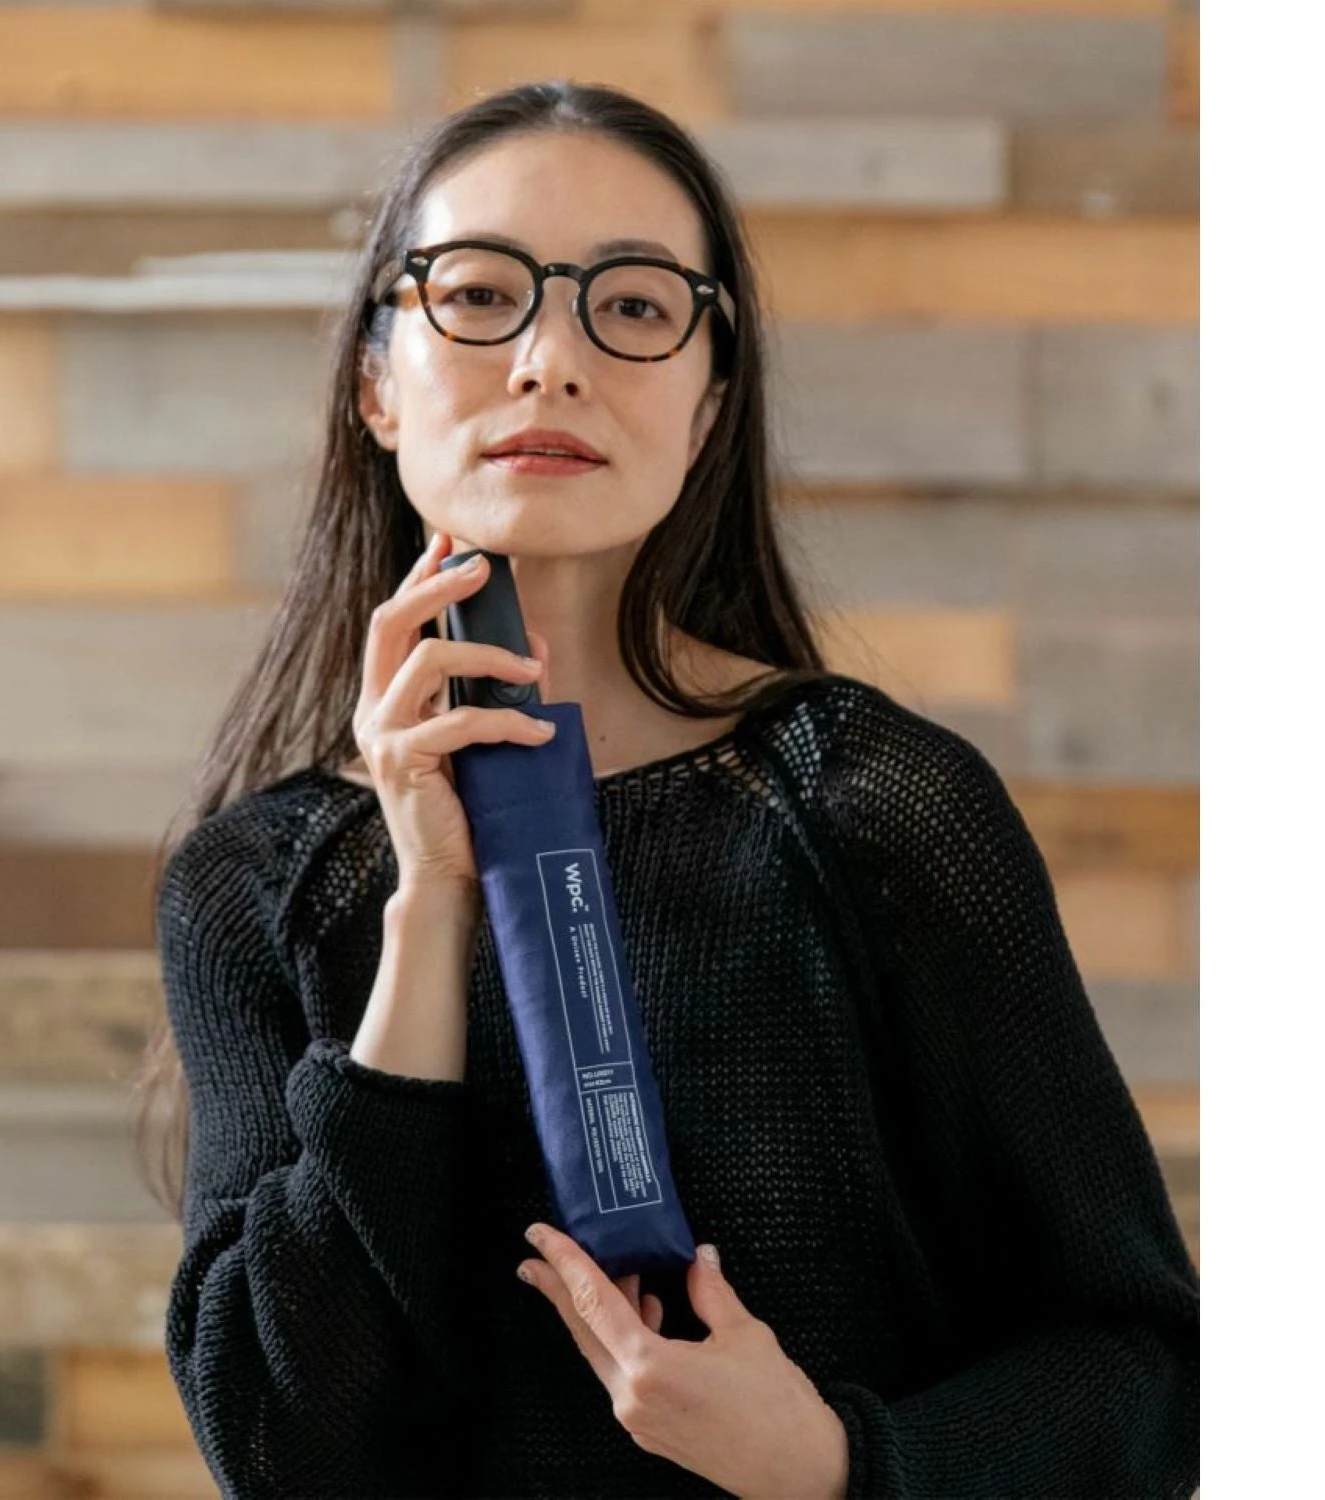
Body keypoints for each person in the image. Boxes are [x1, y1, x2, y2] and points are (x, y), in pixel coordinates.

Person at [135, 80, 1200, 1499]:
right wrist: (432, 901)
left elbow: (1154, 1374)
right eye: (480, 294)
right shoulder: (257, 884)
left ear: (707, 407)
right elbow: (281, 1449)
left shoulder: (871, 808)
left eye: (633, 307)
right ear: (375, 382)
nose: (550, 361)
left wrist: (839, 1462)